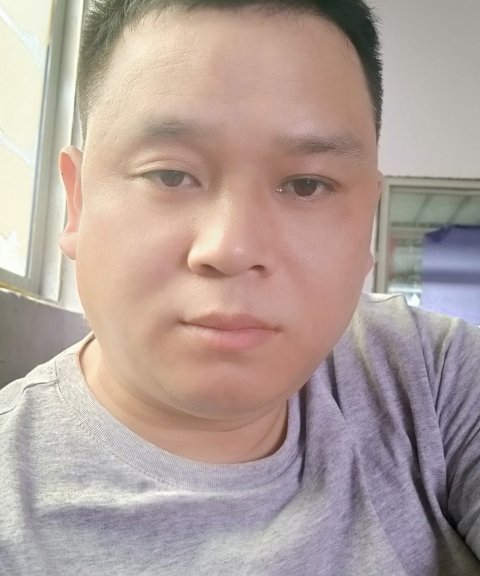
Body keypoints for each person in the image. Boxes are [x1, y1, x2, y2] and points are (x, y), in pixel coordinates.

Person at [1, 0, 479, 574]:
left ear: (367, 223)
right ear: (77, 203)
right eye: (170, 175)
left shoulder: (434, 377)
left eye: (306, 185)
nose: (231, 248)